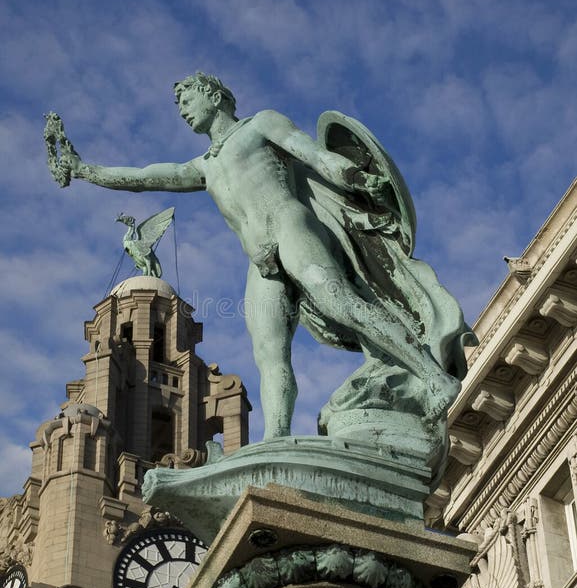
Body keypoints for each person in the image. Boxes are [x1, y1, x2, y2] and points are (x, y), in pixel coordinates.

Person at [45, 72, 462, 438]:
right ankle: (277, 438)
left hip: (289, 227)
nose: (183, 112)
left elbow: (311, 154)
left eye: (187, 100)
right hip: (260, 260)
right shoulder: (203, 166)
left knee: (341, 304)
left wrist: (352, 176)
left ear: (214, 95)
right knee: (269, 352)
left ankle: (431, 377)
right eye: (179, 107)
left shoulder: (261, 124)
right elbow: (143, 178)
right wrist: (85, 171)